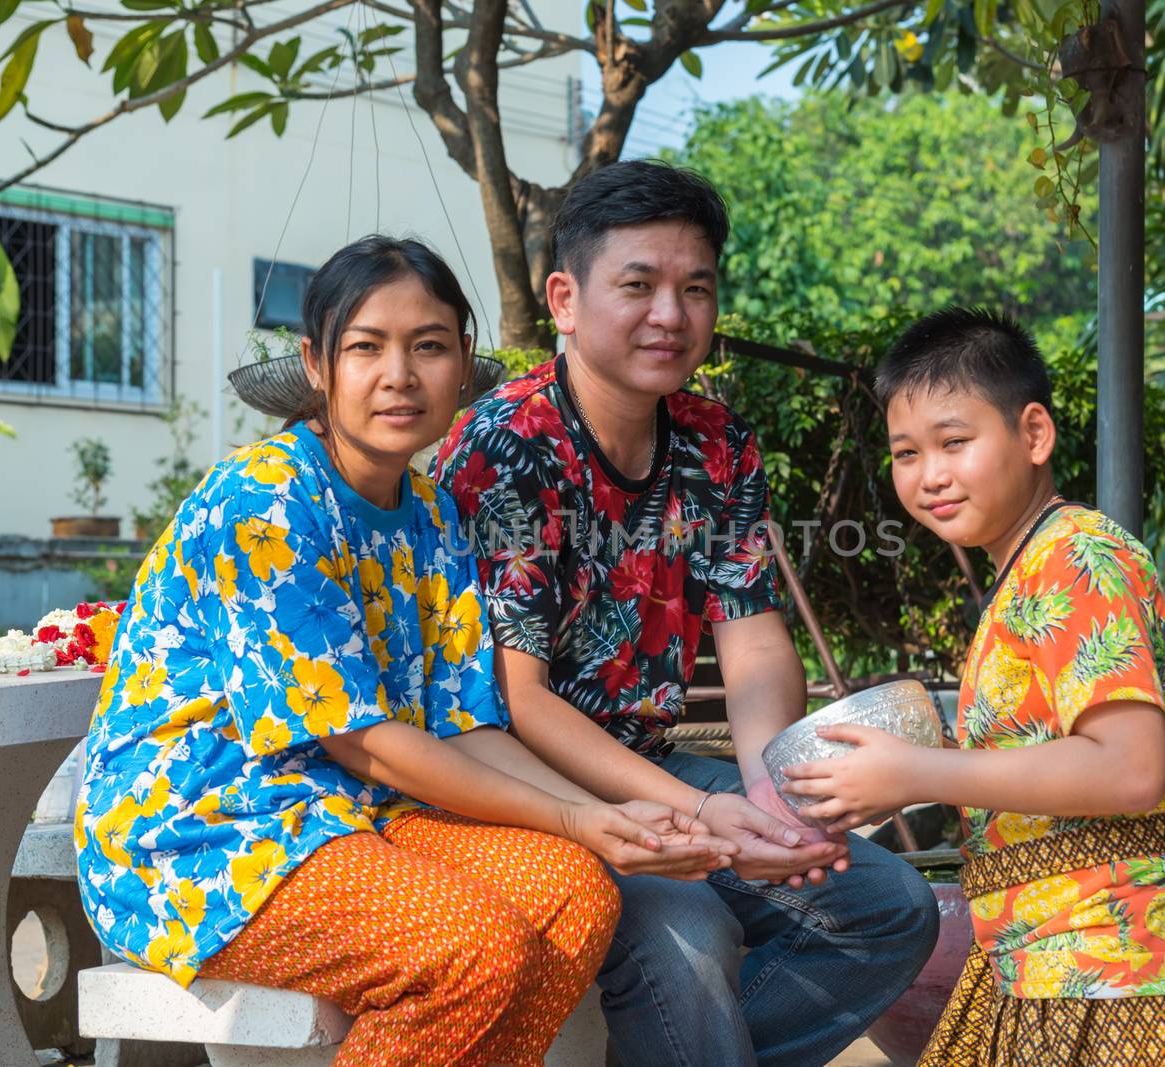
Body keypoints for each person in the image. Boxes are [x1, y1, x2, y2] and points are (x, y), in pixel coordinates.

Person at [75, 235, 734, 1067]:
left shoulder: (428, 511)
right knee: (471, 948)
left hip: (350, 814)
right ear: (317, 363)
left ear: (463, 360)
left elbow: (466, 725)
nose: (399, 374)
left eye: (427, 346)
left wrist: (611, 820)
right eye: (366, 347)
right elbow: (364, 739)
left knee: (573, 893)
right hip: (203, 836)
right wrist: (579, 817)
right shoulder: (267, 501)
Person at [435, 161, 940, 1067]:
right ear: (563, 297)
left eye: (694, 288)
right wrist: (702, 822)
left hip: (654, 765)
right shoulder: (506, 444)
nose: (671, 314)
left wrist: (767, 796)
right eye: (638, 285)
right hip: (525, 791)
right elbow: (519, 698)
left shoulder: (717, 441)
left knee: (886, 907)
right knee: (692, 936)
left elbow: (750, 637)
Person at [782, 306, 1165, 1066]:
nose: (928, 474)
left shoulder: (1077, 556)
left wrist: (912, 772)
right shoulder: (1025, 570)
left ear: (1033, 434)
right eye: (906, 452)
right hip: (1051, 955)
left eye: (954, 442)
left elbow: (1130, 768)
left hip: (1120, 961)